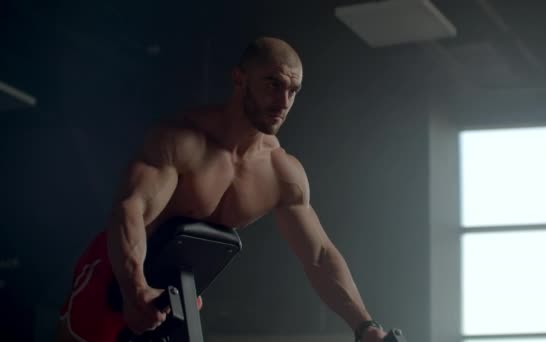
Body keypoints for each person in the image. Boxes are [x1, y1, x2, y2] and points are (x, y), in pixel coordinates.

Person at [56, 37, 387, 342]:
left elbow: (319, 256)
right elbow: (131, 209)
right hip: (118, 277)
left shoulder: (281, 171)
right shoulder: (183, 141)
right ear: (239, 79)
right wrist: (134, 289)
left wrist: (365, 326)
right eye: (273, 85)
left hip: (180, 295)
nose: (283, 101)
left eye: (293, 90)